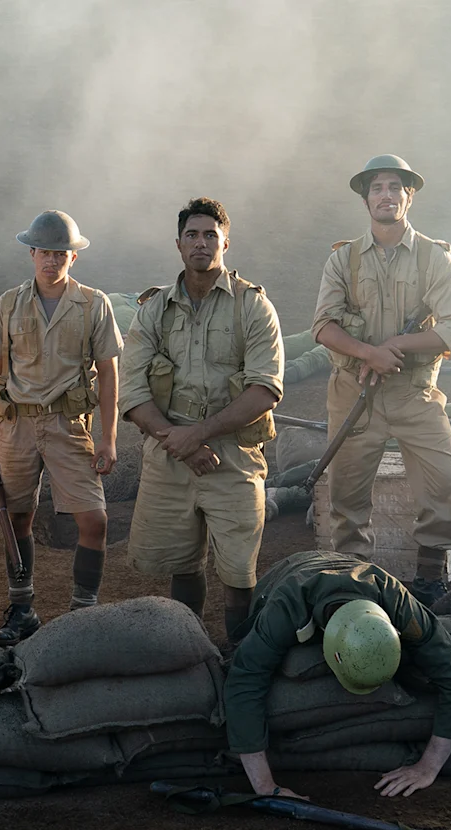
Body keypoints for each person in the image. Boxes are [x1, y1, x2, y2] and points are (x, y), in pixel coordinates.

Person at [119, 197, 284, 639]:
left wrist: (198, 435)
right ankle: (188, 650)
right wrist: (178, 441)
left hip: (232, 455)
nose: (201, 243)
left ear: (226, 242)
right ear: (178, 244)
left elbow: (265, 389)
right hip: (170, 452)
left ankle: (239, 659)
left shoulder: (252, 306)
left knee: (238, 571)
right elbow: (131, 389)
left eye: (211, 234)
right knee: (180, 562)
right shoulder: (153, 310)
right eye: (192, 235)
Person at [311, 155, 451, 608]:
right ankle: (356, 584)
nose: (386, 195)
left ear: (408, 197)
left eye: (394, 188)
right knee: (347, 495)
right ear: (366, 200)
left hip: (414, 392)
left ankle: (430, 577)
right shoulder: (343, 260)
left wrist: (396, 345)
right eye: (377, 188)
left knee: (444, 482)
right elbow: (323, 325)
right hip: (354, 392)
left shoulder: (435, 259)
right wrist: (368, 353)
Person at [0, 210, 123, 645]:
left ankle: (83, 613)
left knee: (94, 519)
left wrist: (108, 439)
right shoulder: (9, 303)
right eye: (44, 253)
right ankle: (22, 610)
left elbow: (109, 374)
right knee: (16, 518)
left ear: (73, 257)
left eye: (61, 253)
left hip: (67, 425)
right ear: (31, 253)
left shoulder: (94, 304)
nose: (51, 261)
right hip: (15, 426)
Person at [224, 551, 451, 799]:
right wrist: (265, 786)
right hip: (287, 571)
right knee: (246, 647)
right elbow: (245, 680)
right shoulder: (285, 608)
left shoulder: (399, 602)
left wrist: (428, 767)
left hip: (351, 566)